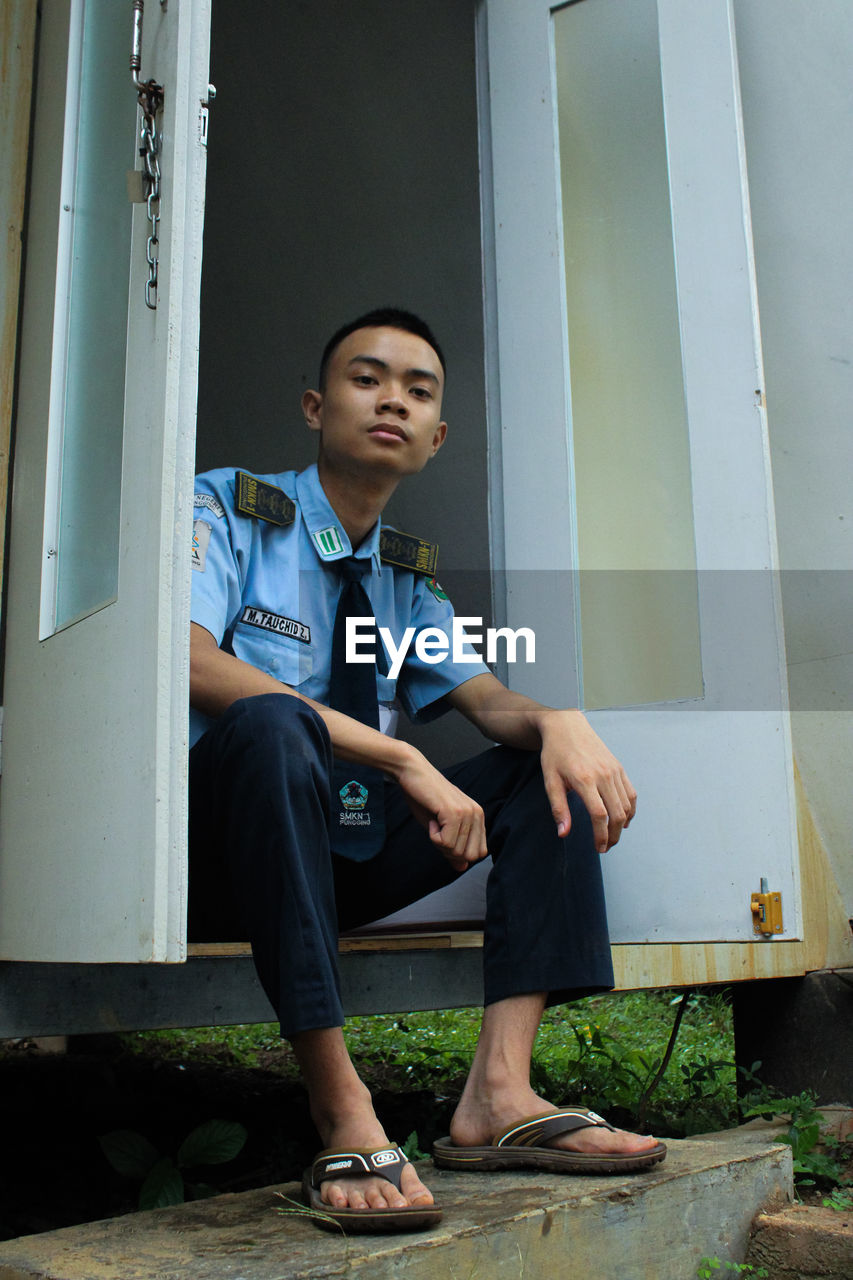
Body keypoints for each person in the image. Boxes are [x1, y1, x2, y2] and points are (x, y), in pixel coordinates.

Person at [188, 308, 665, 1233]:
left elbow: (487, 702)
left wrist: (557, 721)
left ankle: (498, 1094)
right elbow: (187, 657)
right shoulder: (232, 509)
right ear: (315, 406)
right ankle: (341, 1109)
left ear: (436, 436)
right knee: (271, 726)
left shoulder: (405, 582)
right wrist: (402, 753)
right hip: (223, 858)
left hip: (341, 858)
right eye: (368, 379)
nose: (392, 401)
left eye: (417, 390)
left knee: (539, 765)